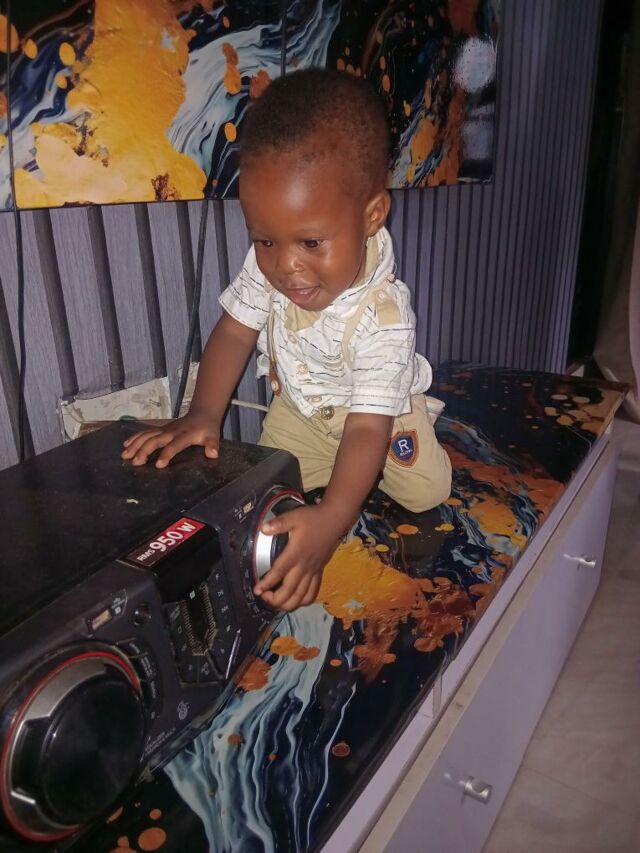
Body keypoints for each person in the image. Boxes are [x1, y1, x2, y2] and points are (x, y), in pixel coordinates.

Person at [122, 68, 451, 611]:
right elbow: (234, 330)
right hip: (299, 409)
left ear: (372, 215)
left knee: (425, 493)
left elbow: (365, 426)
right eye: (266, 240)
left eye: (311, 242)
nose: (286, 267)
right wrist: (202, 414)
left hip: (378, 416)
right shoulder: (268, 265)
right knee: (260, 494)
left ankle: (416, 424)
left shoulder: (385, 316)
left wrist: (332, 521)